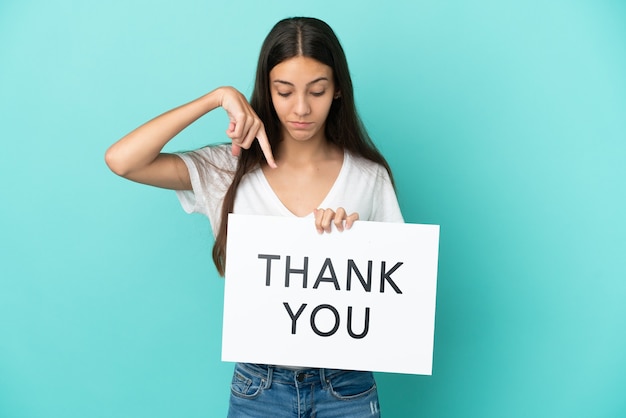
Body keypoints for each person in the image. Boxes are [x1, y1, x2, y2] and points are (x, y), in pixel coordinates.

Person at [106, 16, 403, 418]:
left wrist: (353, 243)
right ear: (266, 90)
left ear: (337, 92)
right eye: (284, 91)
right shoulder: (227, 170)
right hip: (260, 388)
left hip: (346, 387)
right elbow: (122, 160)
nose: (301, 108)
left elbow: (396, 301)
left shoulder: (369, 177)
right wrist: (217, 97)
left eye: (317, 90)